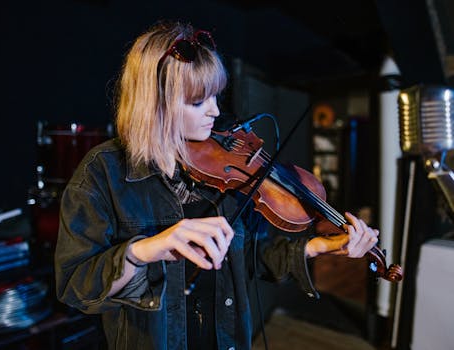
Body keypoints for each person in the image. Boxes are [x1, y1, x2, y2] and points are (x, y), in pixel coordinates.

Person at [54, 20, 379, 350]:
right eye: (198, 102)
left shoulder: (226, 168)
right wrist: (146, 249)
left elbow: (253, 255)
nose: (215, 111)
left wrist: (320, 246)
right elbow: (75, 286)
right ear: (154, 105)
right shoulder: (103, 172)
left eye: (215, 96)